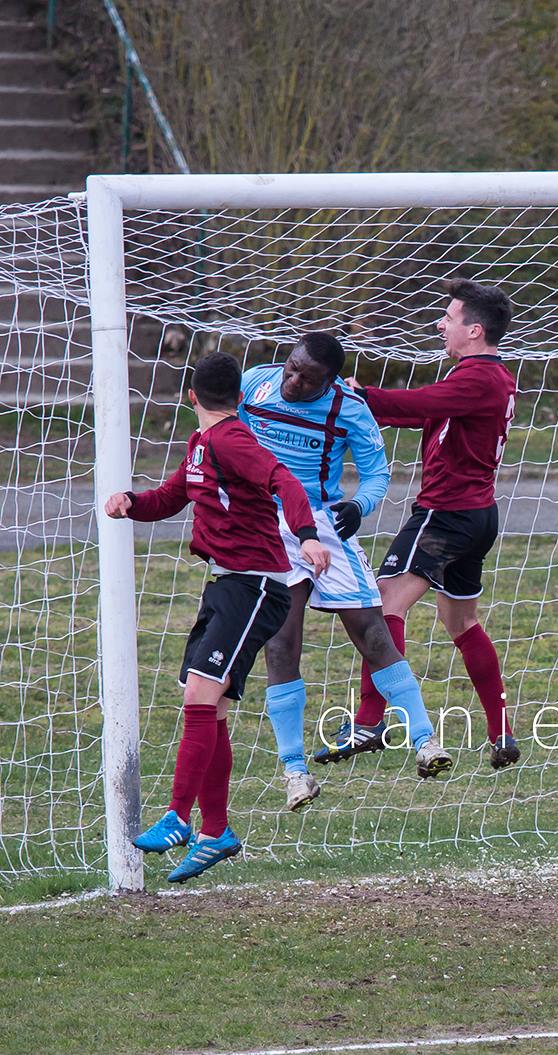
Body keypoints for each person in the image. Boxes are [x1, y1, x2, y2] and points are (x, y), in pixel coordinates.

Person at [107, 351, 331, 883]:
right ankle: (216, 832)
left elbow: (284, 480)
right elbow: (171, 498)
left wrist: (307, 536)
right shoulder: (202, 444)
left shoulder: (231, 440)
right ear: (240, 395)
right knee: (214, 710)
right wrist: (132, 503)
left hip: (254, 586)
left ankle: (177, 817)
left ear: (191, 395)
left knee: (198, 697)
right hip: (228, 586)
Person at [316, 280, 518, 772]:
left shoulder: (480, 378)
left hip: (445, 515)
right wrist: (371, 408)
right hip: (477, 514)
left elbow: (422, 404)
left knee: (383, 603)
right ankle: (501, 733)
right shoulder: (485, 379)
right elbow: (430, 413)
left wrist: (363, 396)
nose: (440, 325)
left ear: (474, 330)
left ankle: (369, 721)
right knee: (461, 623)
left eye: (448, 318)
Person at [241, 332, 437, 805]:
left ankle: (426, 741)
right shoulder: (253, 384)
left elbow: (377, 474)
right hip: (266, 524)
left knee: (372, 631)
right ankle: (294, 771)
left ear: (329, 382)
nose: (292, 381)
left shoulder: (349, 408)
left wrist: (359, 505)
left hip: (323, 523)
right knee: (281, 642)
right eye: (291, 368)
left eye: (307, 378)